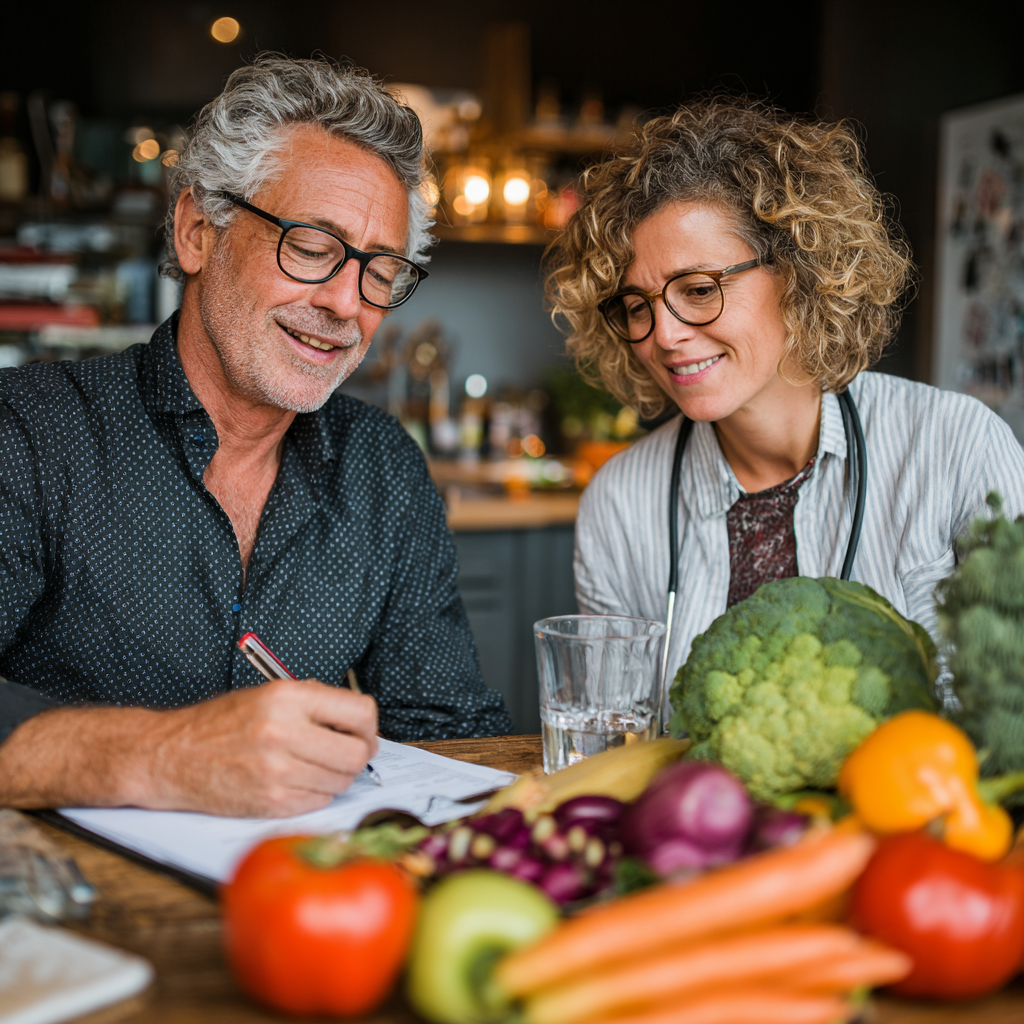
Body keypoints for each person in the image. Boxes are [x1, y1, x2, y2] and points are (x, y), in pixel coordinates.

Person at [0, 56, 510, 818]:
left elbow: (452, 739)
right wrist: (167, 757)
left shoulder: (382, 471)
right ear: (198, 231)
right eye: (311, 246)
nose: (346, 303)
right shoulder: (32, 432)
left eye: (380, 271)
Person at [551, 97, 1024, 685]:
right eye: (637, 305)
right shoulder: (621, 504)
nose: (665, 336)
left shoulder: (958, 449)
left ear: (800, 273)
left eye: (698, 290)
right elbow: (617, 737)